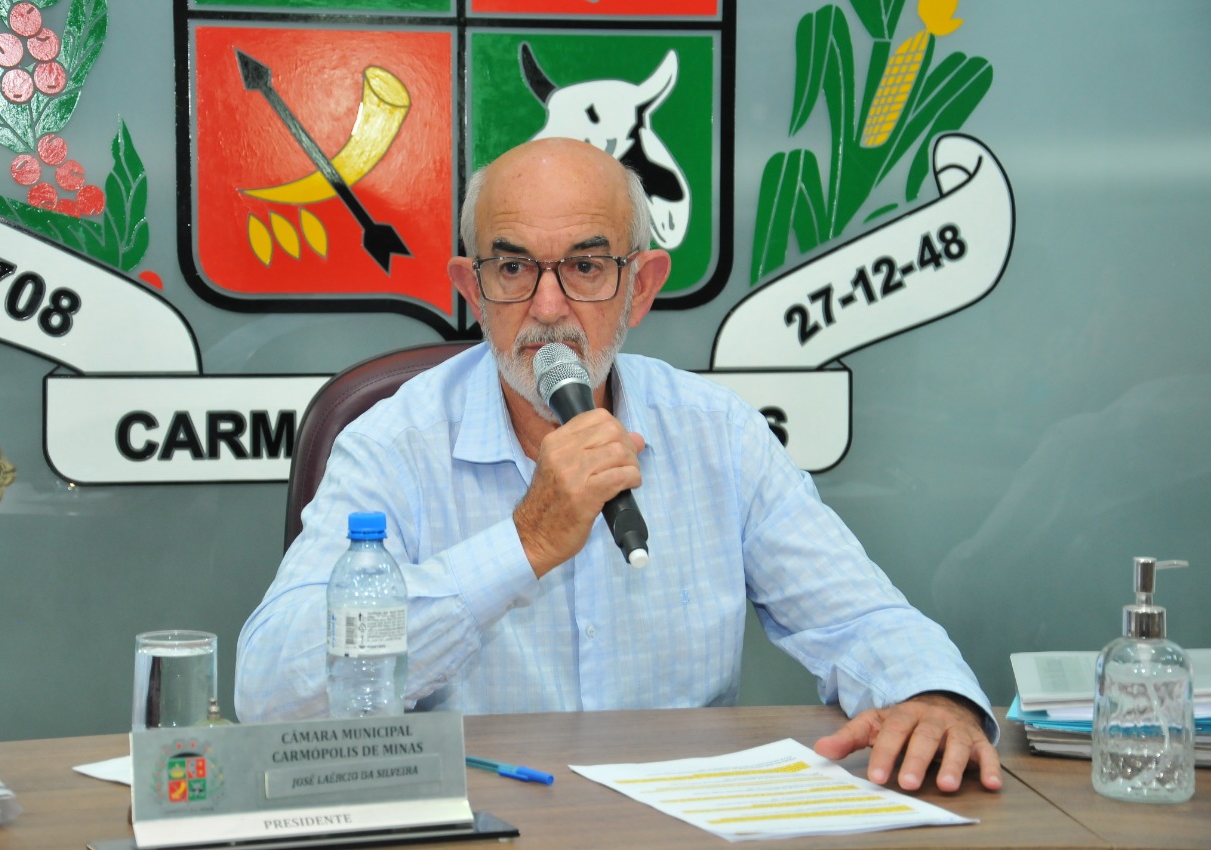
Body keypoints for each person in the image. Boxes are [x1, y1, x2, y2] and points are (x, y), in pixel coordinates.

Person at [236, 137, 1002, 793]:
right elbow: (271, 694)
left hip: (681, 822)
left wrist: (933, 696)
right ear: (472, 290)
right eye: (513, 269)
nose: (547, 308)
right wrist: (523, 545)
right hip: (482, 819)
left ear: (640, 289)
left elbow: (859, 616)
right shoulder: (391, 442)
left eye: (586, 266)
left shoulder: (718, 433)